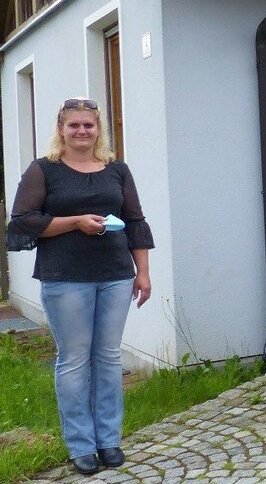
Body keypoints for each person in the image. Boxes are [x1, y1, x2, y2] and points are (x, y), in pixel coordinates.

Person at [6, 98, 154, 475]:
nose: (82, 132)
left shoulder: (117, 170)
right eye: (74, 126)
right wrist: (74, 222)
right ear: (61, 130)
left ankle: (108, 440)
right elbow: (23, 221)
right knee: (73, 360)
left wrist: (143, 272)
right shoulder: (44, 170)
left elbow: (134, 220)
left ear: (98, 129)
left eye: (89, 125)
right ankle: (80, 444)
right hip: (65, 277)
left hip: (116, 275)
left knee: (107, 357)